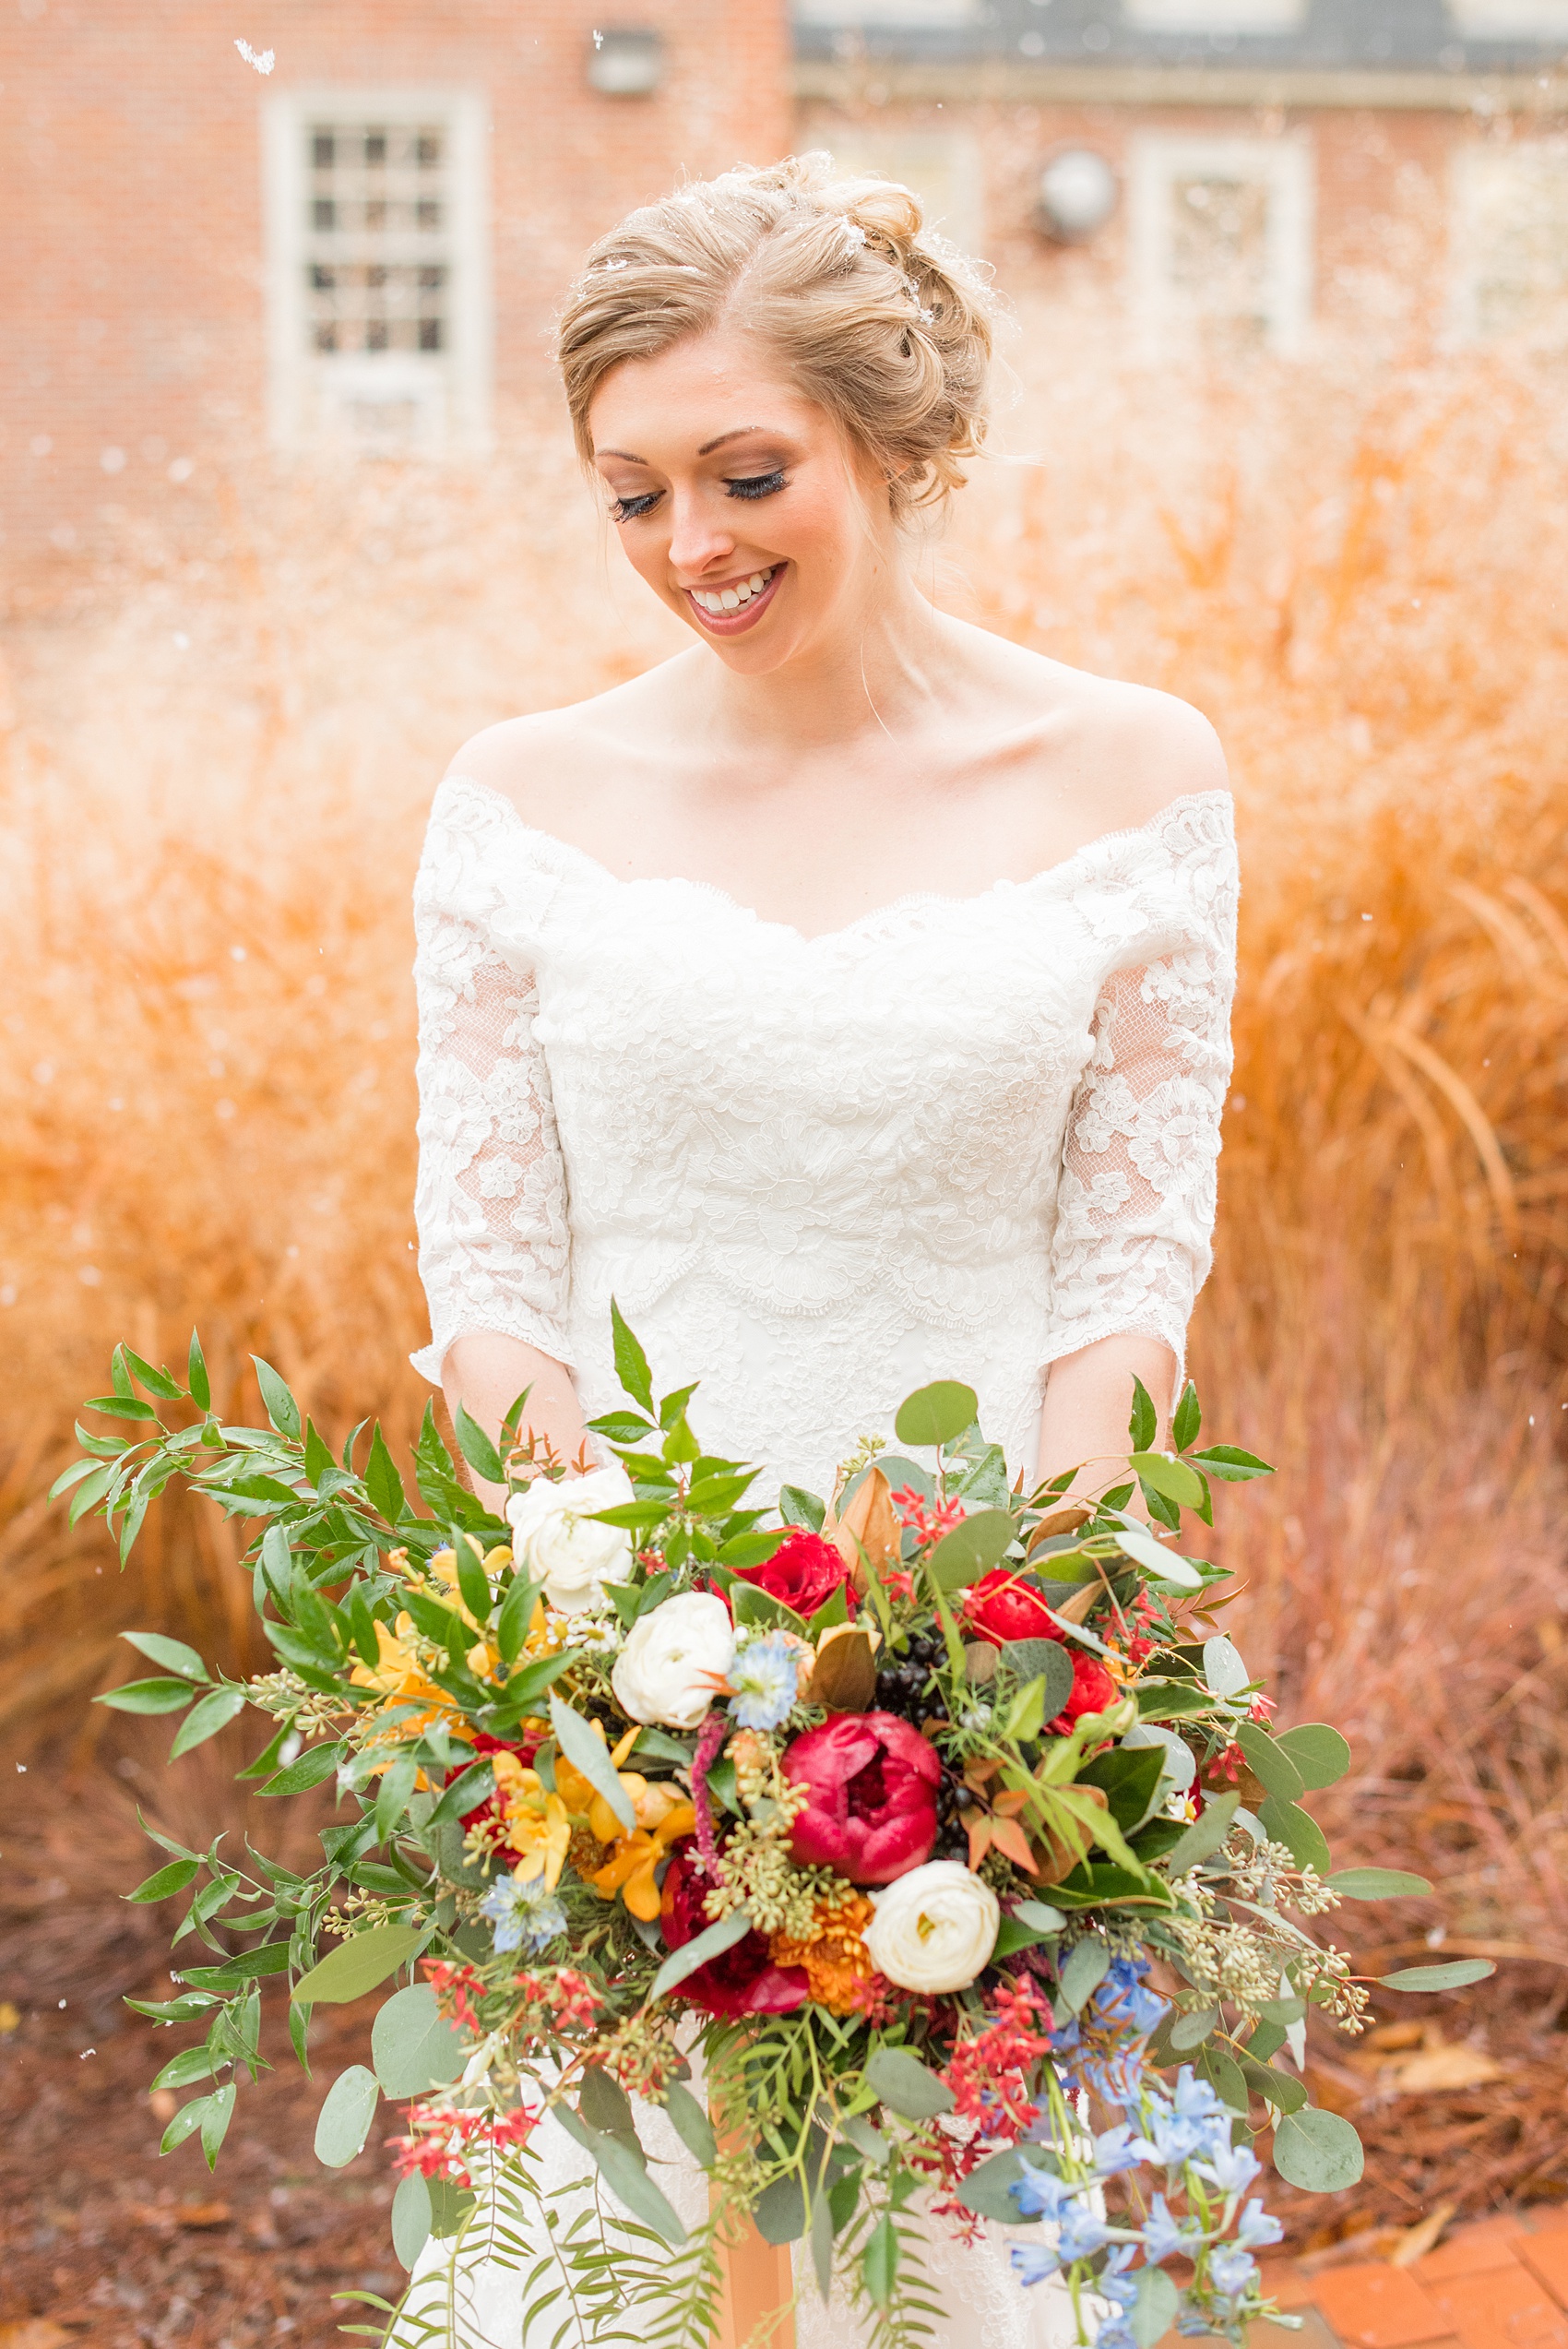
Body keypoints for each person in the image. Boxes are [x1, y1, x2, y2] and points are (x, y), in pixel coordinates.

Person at [406, 154, 1236, 2349]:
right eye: (632, 493)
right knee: (639, 2273)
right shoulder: (516, 802)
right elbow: (488, 1277)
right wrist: (612, 1644)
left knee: (963, 2258)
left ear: (895, 438)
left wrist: (1013, 1669)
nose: (693, 546)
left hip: (988, 1654)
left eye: (747, 473)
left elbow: (1124, 1272)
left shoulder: (1132, 778)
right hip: (621, 1691)